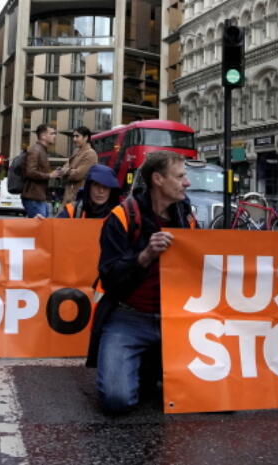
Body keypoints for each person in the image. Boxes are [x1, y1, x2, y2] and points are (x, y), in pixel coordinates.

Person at [88, 151, 197, 414]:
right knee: (117, 401)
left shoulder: (186, 216)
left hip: (177, 319)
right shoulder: (122, 216)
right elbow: (110, 277)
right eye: (180, 176)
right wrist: (145, 256)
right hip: (129, 318)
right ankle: (149, 364)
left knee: (217, 394)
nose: (187, 182)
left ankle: (151, 365)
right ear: (158, 179)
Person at [57, 164, 123, 219]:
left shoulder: (118, 215)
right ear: (88, 187)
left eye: (106, 186)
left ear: (111, 190)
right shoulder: (72, 211)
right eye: (96, 184)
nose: (101, 191)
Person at [19, 124, 56, 219]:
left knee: (41, 229)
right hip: (33, 198)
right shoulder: (35, 150)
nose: (54, 136)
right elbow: (30, 171)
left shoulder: (42, 150)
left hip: (39, 197)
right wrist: (49, 175)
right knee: (39, 230)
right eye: (52, 133)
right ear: (43, 136)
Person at [53, 127, 97, 206]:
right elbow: (63, 170)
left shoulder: (90, 154)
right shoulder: (76, 151)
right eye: (73, 136)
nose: (74, 139)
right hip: (69, 196)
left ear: (86, 137)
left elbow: (77, 175)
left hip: (79, 198)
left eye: (77, 136)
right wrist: (67, 171)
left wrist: (66, 171)